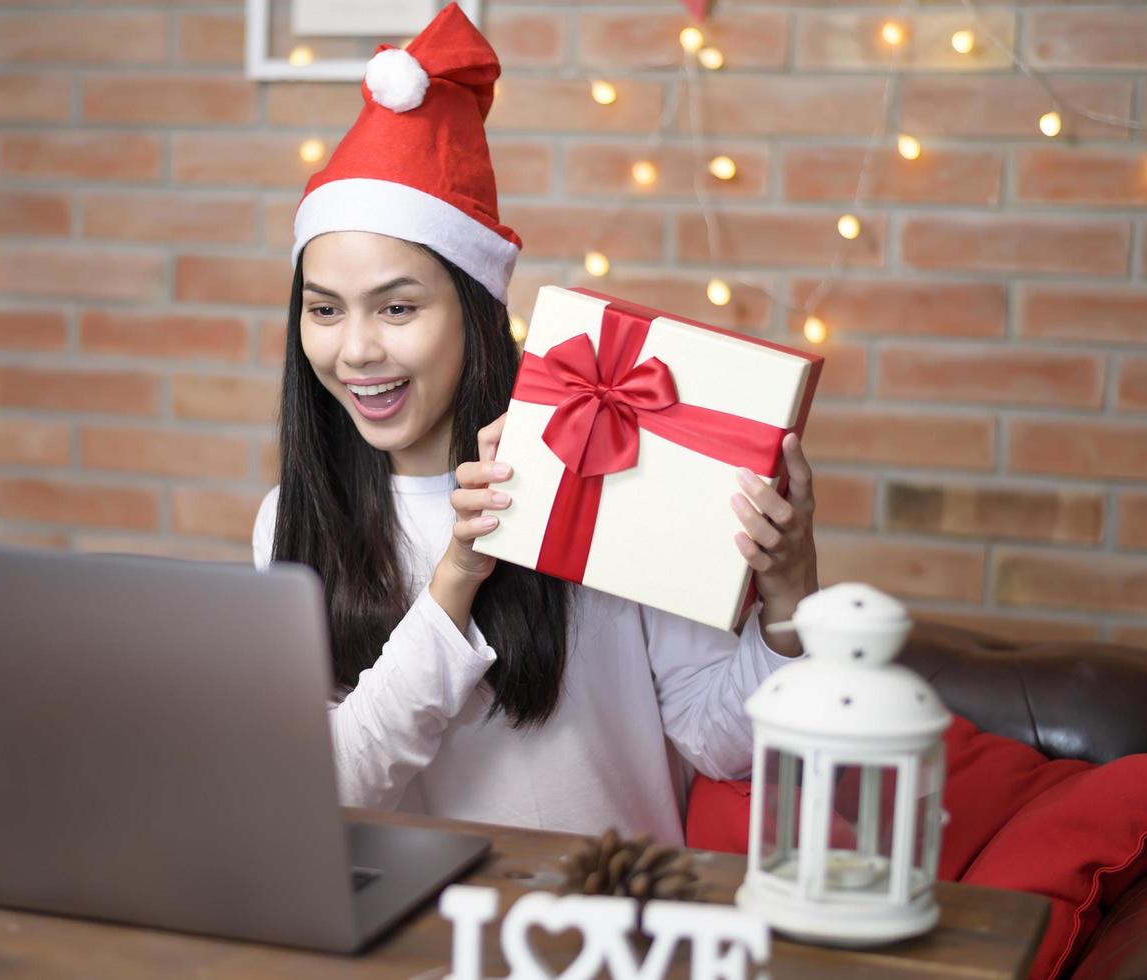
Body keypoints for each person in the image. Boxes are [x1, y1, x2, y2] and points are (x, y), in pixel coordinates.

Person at [251, 3, 818, 845]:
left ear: (475, 315)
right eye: (324, 310)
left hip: (599, 937)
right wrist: (457, 574)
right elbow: (323, 783)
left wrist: (788, 600)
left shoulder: (605, 473)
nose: (356, 350)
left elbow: (719, 742)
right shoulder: (289, 520)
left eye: (398, 307)